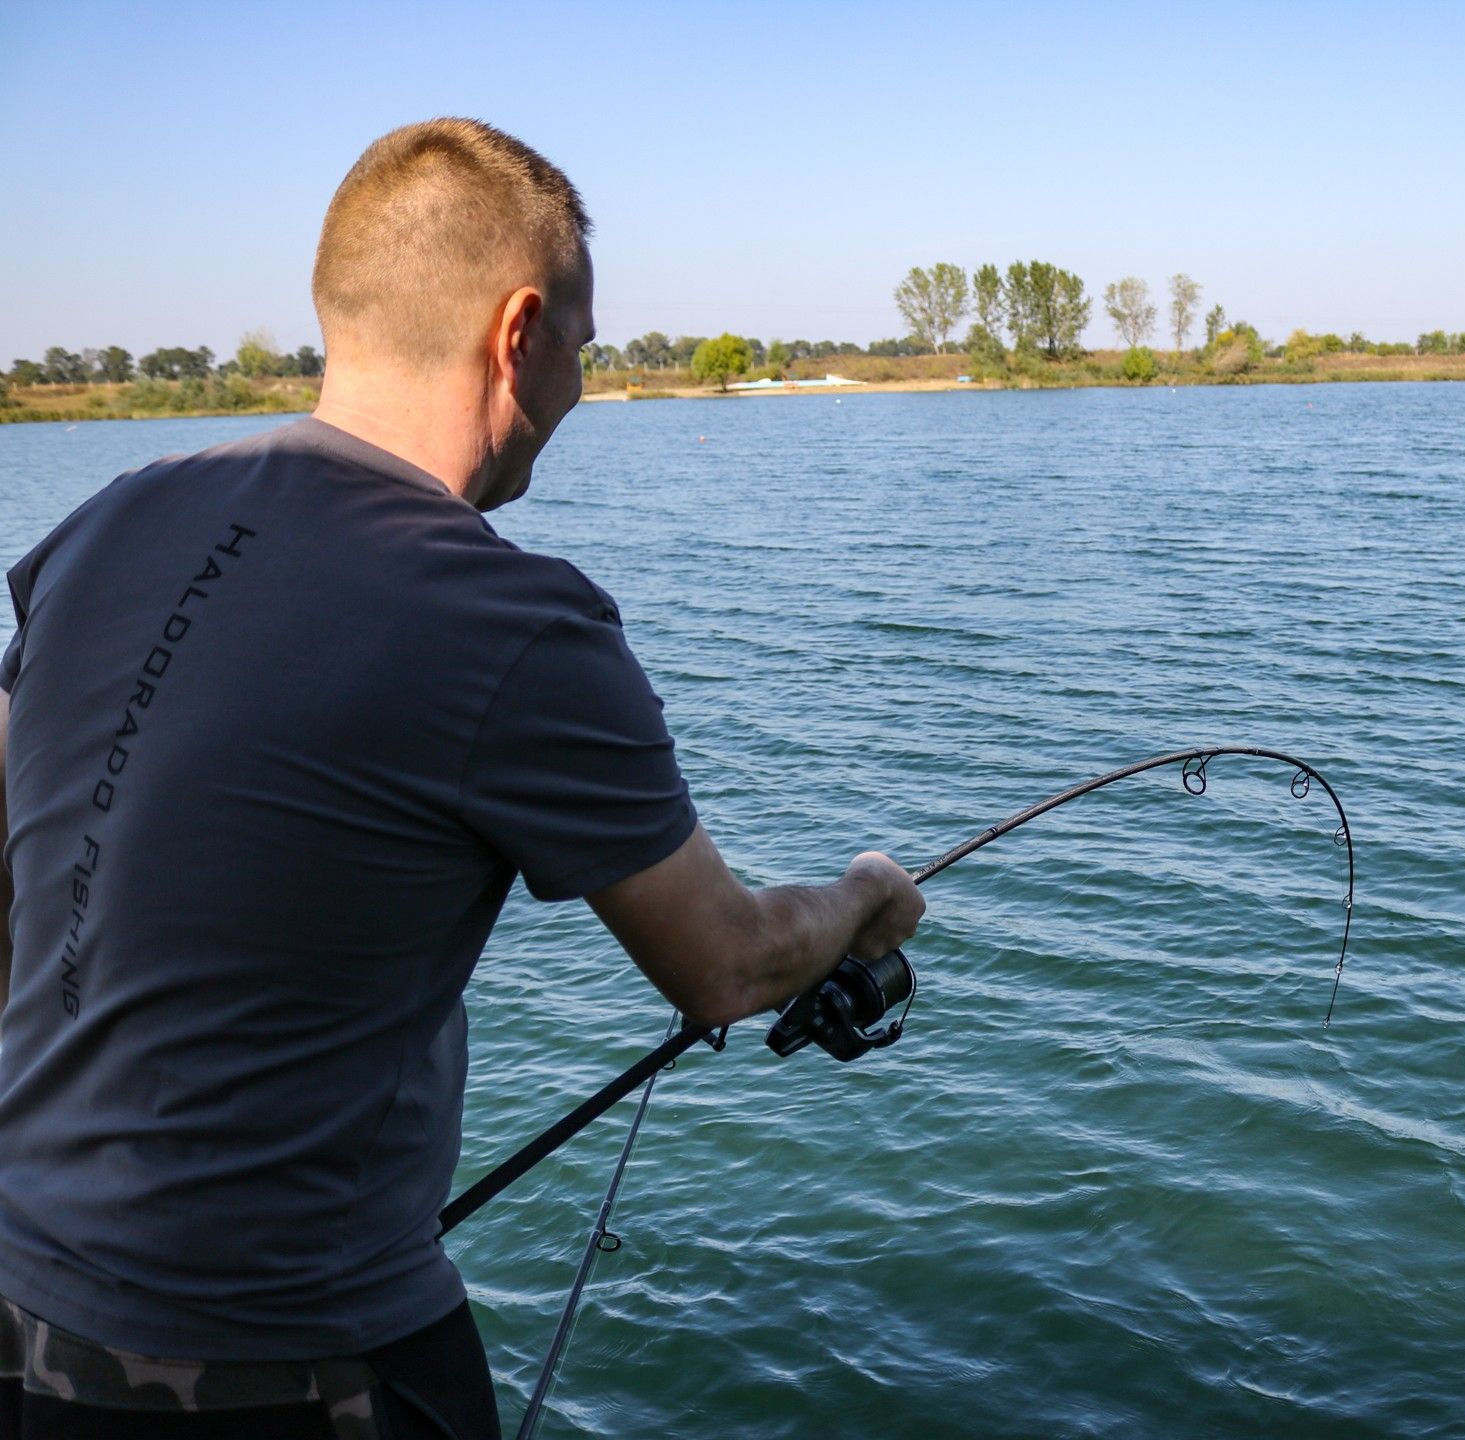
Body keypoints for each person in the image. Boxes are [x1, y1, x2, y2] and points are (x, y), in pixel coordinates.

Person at [0, 118, 924, 1439]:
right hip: (288, 1365)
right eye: (586, 351)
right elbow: (725, 964)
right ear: (520, 332)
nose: (581, 390)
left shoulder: (98, 526)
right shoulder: (505, 618)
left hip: (22, 1311)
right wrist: (863, 893)